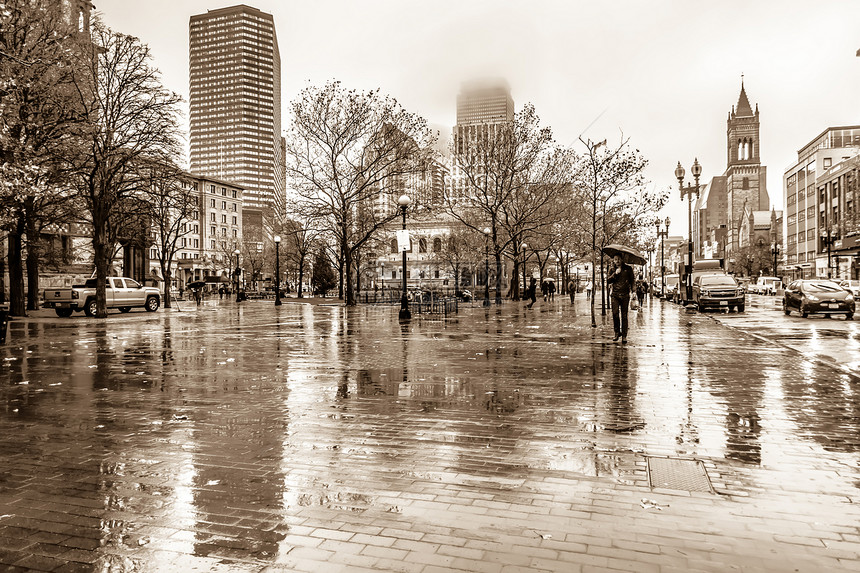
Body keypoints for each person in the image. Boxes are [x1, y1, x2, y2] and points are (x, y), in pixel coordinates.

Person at [607, 254, 636, 343]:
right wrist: (615, 274)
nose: (617, 261)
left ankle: (624, 335)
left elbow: (632, 281)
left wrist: (634, 291)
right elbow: (608, 280)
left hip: (625, 295)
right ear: (614, 260)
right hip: (615, 295)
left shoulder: (628, 269)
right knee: (615, 314)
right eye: (616, 259)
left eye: (619, 259)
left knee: (624, 315)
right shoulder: (612, 269)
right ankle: (617, 332)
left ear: (622, 260)